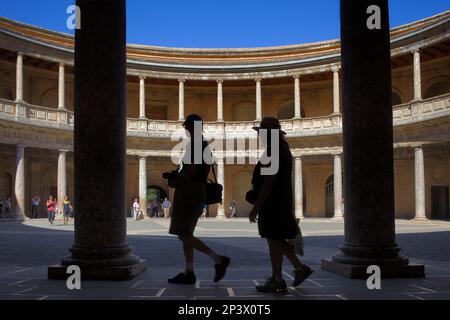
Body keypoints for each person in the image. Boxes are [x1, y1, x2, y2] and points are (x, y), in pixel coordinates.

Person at [247, 117, 313, 293]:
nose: (261, 136)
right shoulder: (282, 148)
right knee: (277, 238)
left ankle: (278, 279)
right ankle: (299, 269)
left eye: (263, 132)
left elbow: (269, 181)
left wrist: (256, 207)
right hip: (280, 200)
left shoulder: (274, 150)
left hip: (272, 202)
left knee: (273, 239)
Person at [167, 114, 230, 285]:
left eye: (187, 127)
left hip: (190, 192)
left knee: (183, 233)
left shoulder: (196, 145)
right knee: (185, 233)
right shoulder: (202, 145)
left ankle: (217, 259)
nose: (185, 130)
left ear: (192, 128)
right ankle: (189, 272)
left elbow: (193, 170)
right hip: (195, 190)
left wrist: (177, 179)